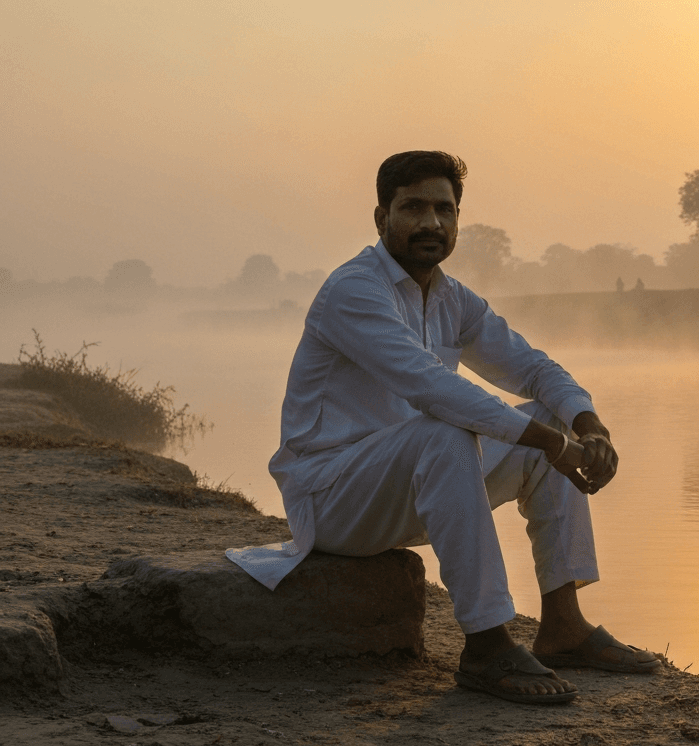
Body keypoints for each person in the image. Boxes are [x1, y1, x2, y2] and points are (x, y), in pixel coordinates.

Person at [227, 150, 659, 704]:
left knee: (548, 417)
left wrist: (588, 427)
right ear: (381, 218)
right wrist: (555, 445)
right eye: (413, 208)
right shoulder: (354, 290)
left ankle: (563, 626)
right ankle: (486, 644)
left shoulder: (453, 298)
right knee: (452, 429)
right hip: (333, 498)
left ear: (457, 220)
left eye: (444, 209)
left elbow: (531, 367)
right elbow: (432, 388)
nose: (430, 222)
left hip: (416, 482)